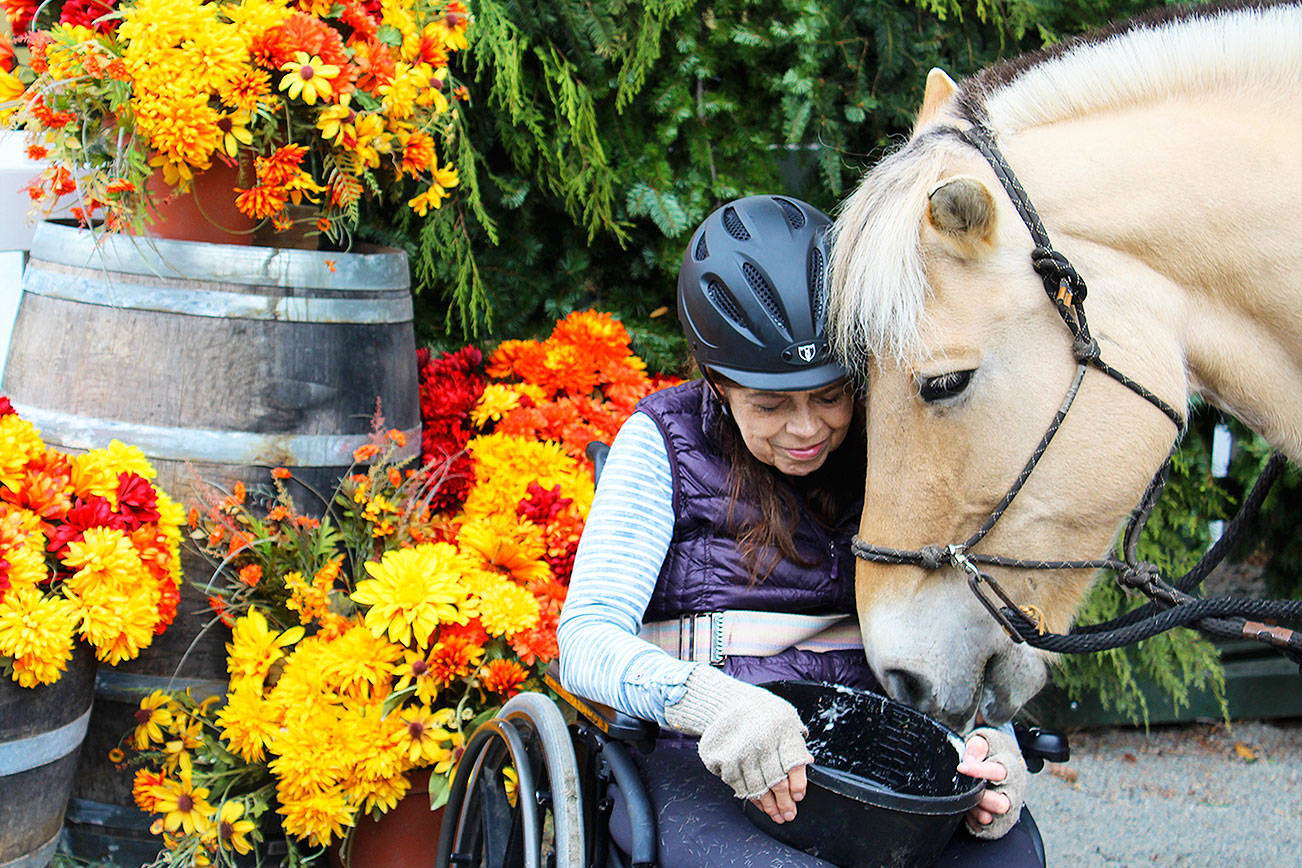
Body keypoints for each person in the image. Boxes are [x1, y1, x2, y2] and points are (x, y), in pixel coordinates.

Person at [557, 195, 1040, 866]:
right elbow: (585, 641)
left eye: (831, 394)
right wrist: (714, 705)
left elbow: (955, 616)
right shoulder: (663, 441)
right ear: (718, 382)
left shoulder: (893, 439)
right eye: (771, 404)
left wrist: (989, 741)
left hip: (880, 756)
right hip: (706, 759)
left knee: (1007, 859)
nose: (808, 428)